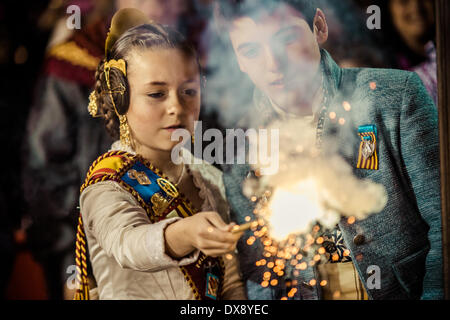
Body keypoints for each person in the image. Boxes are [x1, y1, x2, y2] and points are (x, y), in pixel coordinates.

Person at [214, 0, 442, 300]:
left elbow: (444, 226)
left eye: (286, 38)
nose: (274, 64)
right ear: (238, 60)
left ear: (318, 27)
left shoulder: (395, 96)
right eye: (251, 51)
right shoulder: (241, 146)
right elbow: (259, 272)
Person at [22, 0, 193, 300]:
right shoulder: (73, 61)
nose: (154, 4)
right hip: (94, 256)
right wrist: (72, 267)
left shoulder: (196, 56)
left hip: (184, 259)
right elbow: (46, 173)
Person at [74, 8, 246, 300]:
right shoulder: (106, 185)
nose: (176, 107)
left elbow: (229, 282)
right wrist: (183, 234)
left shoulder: (209, 178)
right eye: (156, 94)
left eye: (189, 91)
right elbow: (129, 244)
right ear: (120, 97)